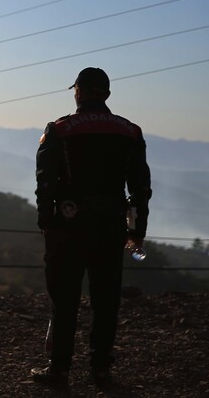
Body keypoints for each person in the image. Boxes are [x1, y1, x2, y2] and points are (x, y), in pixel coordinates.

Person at [31, 67, 152, 388]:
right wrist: (136, 231)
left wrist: (46, 222)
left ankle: (59, 370)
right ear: (107, 95)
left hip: (68, 228)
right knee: (106, 299)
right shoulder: (130, 132)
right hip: (111, 227)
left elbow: (45, 182)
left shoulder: (60, 129)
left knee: (65, 299)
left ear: (78, 92)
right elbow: (140, 188)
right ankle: (101, 370)